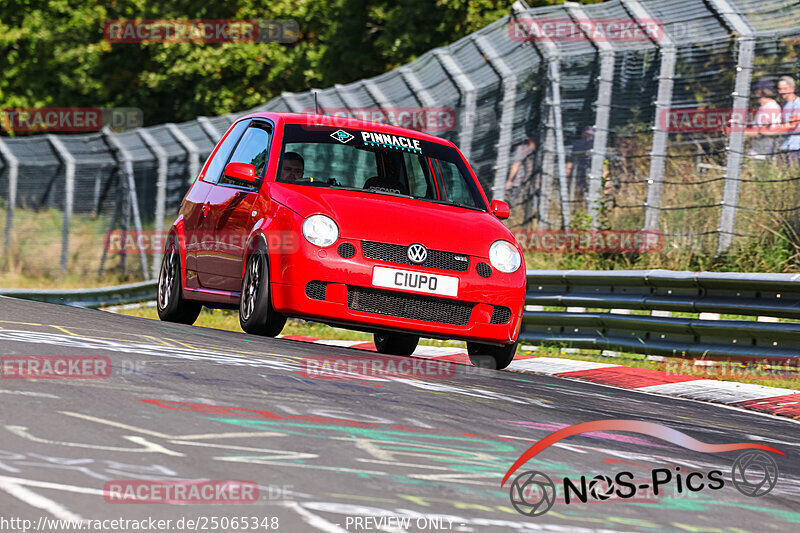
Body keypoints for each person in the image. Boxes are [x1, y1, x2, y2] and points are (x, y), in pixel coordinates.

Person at [744, 79, 782, 157]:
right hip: (756, 151)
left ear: (760, 91)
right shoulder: (762, 108)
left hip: (764, 154)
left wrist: (742, 132)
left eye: (756, 90)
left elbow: (772, 131)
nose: (755, 93)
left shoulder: (772, 107)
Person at [505, 133, 538, 210]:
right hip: (525, 183)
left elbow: (516, 165)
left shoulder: (523, 148)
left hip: (521, 183)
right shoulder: (528, 148)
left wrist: (509, 181)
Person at [566, 125, 594, 203]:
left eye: (590, 136)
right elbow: (570, 163)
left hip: (592, 171)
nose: (588, 139)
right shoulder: (577, 145)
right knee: (579, 191)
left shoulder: (596, 147)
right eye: (586, 135)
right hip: (580, 172)